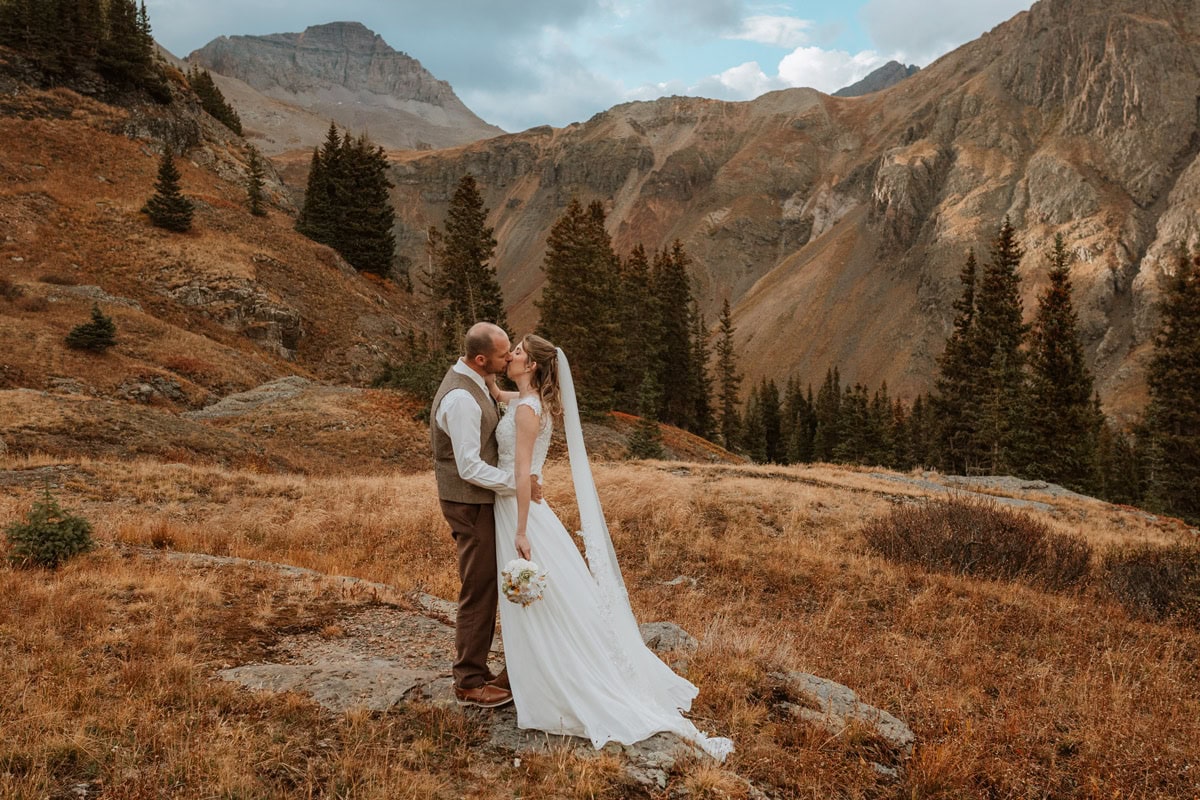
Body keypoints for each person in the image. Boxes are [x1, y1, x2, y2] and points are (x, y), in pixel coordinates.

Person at [485, 333, 733, 760]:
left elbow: (523, 474)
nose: (512, 356)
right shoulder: (526, 402)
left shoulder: (527, 411)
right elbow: (506, 397)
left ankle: (557, 680)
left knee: (544, 601)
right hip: (519, 506)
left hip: (519, 511)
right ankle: (538, 672)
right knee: (556, 599)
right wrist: (489, 380)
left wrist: (521, 531)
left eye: (519, 352)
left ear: (533, 366)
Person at [430, 321, 541, 709]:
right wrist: (520, 483)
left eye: (513, 351)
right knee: (478, 589)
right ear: (481, 360)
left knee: (489, 584)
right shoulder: (460, 399)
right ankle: (469, 681)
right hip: (469, 501)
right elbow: (469, 468)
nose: (509, 357)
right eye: (502, 354)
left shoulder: (479, 382)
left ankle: (484, 670)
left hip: (484, 500)